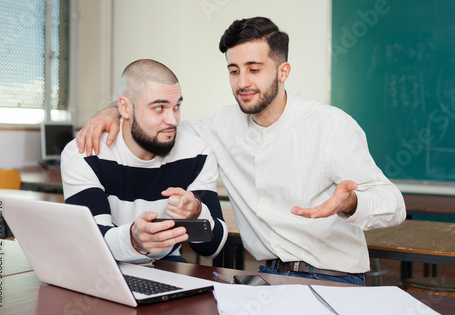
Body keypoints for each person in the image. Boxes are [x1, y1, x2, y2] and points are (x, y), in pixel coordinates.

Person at [76, 17, 406, 284]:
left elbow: (394, 207)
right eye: (234, 71)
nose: (242, 82)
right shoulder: (220, 126)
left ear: (282, 71)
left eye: (254, 68)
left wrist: (351, 203)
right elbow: (158, 121)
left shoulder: (331, 126)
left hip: (334, 279)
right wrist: (114, 110)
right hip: (264, 278)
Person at [61, 59, 227, 262]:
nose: (173, 120)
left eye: (177, 106)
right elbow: (91, 243)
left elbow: (213, 249)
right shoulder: (86, 152)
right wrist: (133, 240)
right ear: (124, 108)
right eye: (159, 108)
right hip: (105, 265)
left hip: (164, 263)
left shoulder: (197, 153)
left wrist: (197, 214)